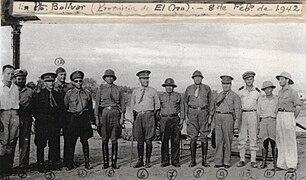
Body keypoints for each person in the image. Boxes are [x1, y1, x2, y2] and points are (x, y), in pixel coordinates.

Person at [32, 72, 64, 172]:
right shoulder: (38, 95)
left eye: (52, 81)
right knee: (41, 144)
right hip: (42, 124)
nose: (50, 83)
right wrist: (38, 121)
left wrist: (60, 124)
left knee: (53, 143)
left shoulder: (58, 95)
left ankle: (52, 163)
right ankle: (40, 164)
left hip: (54, 124)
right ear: (44, 83)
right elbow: (34, 111)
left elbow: (61, 111)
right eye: (48, 81)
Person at [95, 69, 125, 169]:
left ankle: (114, 163)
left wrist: (122, 117)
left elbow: (123, 104)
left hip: (115, 113)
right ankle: (105, 162)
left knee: (114, 138)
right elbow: (97, 105)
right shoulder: (100, 89)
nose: (110, 78)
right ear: (105, 78)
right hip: (104, 113)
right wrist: (97, 118)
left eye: (111, 77)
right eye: (107, 77)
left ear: (114, 78)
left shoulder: (118, 89)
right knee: (104, 138)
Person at [64, 71, 94, 170]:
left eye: (80, 81)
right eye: (76, 81)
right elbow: (65, 107)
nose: (78, 83)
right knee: (71, 141)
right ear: (73, 82)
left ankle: (87, 162)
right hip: (73, 119)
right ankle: (69, 163)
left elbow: (90, 107)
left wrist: (92, 120)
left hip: (84, 118)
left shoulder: (87, 93)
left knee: (85, 141)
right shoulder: (69, 93)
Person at [130, 70, 160, 168]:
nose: (146, 80)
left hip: (149, 116)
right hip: (138, 116)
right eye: (143, 79)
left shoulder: (153, 91)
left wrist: (154, 119)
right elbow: (132, 106)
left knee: (148, 140)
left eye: (147, 78)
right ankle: (140, 160)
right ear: (139, 80)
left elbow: (157, 106)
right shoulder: (135, 91)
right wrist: (133, 119)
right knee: (139, 140)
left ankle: (147, 161)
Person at [184, 70, 213, 167]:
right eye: (195, 77)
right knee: (193, 137)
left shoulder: (207, 88)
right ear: (193, 78)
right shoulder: (189, 89)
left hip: (204, 113)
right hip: (192, 113)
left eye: (199, 77)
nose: (197, 79)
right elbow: (185, 103)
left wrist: (210, 116)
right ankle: (193, 160)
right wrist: (186, 117)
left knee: (204, 137)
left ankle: (204, 160)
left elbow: (211, 102)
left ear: (202, 78)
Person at [275, 72, 301, 172]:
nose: (280, 81)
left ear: (287, 80)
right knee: (280, 140)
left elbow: (298, 107)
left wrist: (292, 119)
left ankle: (291, 165)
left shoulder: (292, 92)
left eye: (282, 79)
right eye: (279, 79)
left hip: (288, 115)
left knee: (290, 140)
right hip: (280, 115)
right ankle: (281, 164)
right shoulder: (280, 92)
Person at [213, 75, 241, 168]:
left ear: (231, 84)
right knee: (219, 140)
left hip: (228, 117)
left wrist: (236, 124)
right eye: (224, 84)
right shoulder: (219, 95)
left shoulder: (235, 96)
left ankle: (227, 161)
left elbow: (237, 110)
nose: (226, 86)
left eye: (228, 84)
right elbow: (215, 107)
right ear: (221, 84)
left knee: (228, 140)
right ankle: (218, 161)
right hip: (218, 117)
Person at [237, 71, 260, 168]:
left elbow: (259, 107)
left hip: (253, 114)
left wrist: (258, 120)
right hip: (243, 114)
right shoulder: (240, 92)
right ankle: (242, 159)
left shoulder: (258, 92)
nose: (249, 81)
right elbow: (238, 106)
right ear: (244, 80)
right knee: (242, 138)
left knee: (253, 137)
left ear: (253, 80)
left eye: (251, 79)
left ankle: (253, 160)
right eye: (247, 79)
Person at [159, 78, 184, 167]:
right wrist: (159, 121)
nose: (169, 88)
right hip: (164, 119)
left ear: (173, 87)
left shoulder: (178, 96)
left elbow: (182, 108)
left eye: (171, 86)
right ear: (165, 87)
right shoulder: (161, 96)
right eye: (167, 86)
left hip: (175, 119)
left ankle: (175, 161)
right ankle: (165, 160)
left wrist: (182, 119)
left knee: (175, 140)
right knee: (164, 140)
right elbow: (158, 109)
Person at [0, 65, 20, 178]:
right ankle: (1, 169)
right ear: (3, 73)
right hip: (3, 113)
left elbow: (17, 104)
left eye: (12, 74)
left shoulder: (15, 87)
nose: (10, 76)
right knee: (3, 141)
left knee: (11, 142)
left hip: (14, 114)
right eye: (8, 73)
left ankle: (8, 168)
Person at [14, 69, 35, 171]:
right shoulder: (10, 90)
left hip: (26, 118)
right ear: (15, 79)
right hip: (13, 118)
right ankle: (8, 164)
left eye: (23, 78)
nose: (21, 80)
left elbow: (35, 106)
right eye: (19, 79)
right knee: (11, 141)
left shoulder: (30, 92)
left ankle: (23, 164)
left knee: (25, 142)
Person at [53, 67, 73, 167]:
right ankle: (56, 161)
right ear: (57, 75)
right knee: (55, 138)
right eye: (61, 74)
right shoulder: (53, 86)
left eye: (64, 74)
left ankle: (68, 161)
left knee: (68, 138)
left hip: (67, 115)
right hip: (56, 116)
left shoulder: (69, 86)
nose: (63, 76)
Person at [257, 81, 278, 169]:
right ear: (264, 90)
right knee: (264, 142)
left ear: (272, 89)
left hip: (273, 120)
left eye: (269, 88)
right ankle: (264, 162)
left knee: (273, 142)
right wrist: (258, 125)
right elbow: (258, 112)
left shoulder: (277, 98)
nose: (267, 90)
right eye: (265, 89)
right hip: (264, 121)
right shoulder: (261, 99)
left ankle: (275, 163)